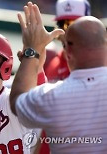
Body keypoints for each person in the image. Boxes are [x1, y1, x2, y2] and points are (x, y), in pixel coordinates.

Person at [10, 2, 107, 154]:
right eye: (62, 24)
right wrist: (35, 67)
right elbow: (43, 110)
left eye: (72, 24)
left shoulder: (57, 92)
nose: (66, 31)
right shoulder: (52, 61)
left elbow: (20, 102)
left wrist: (32, 53)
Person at [44, 0, 91, 82]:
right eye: (63, 24)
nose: (68, 30)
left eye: (74, 23)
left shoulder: (99, 63)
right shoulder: (54, 64)